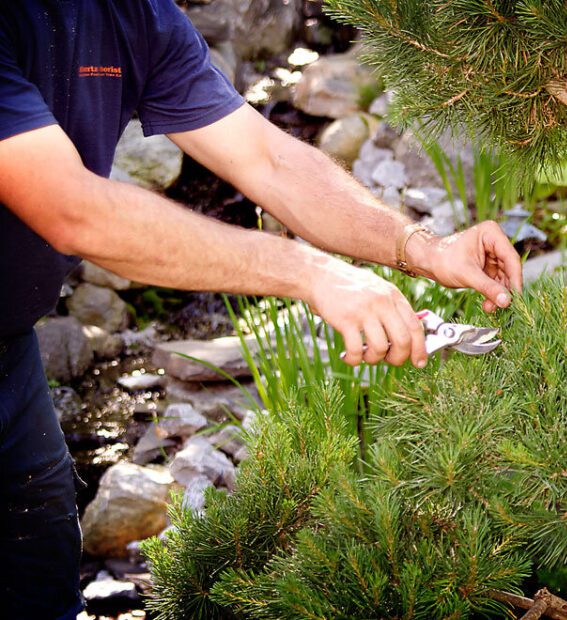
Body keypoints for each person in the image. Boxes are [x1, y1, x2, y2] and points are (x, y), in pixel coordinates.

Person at [0, 1, 522, 618]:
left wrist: (422, 248)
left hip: (10, 355)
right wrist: (311, 272)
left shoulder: (135, 14)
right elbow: (70, 209)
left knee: (39, 584)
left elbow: (267, 158)